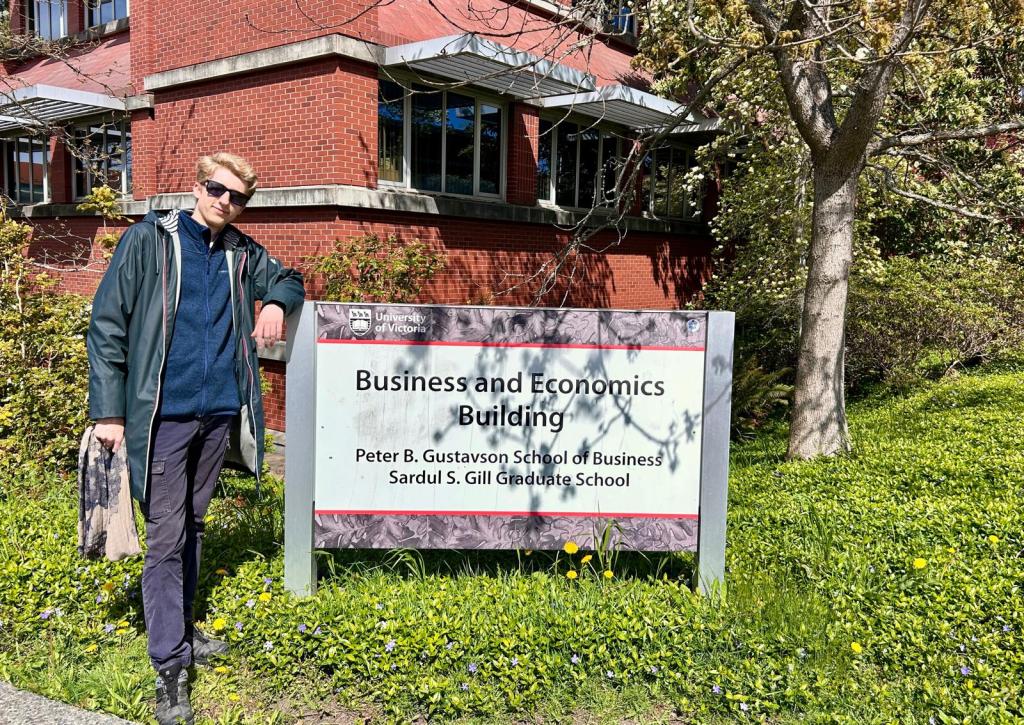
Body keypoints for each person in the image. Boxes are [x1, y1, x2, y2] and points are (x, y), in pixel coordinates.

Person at [87, 152, 305, 725]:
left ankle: (182, 627)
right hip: (162, 415)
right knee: (166, 536)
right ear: (197, 187)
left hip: (216, 416)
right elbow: (107, 324)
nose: (224, 202)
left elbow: (290, 278)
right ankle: (170, 666)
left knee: (194, 524)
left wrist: (275, 303)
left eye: (237, 197)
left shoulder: (240, 251)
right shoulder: (149, 240)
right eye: (216, 189)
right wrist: (108, 412)